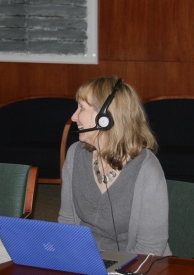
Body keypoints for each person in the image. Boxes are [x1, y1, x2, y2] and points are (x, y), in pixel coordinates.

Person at [58, 76, 171, 256]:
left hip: (135, 262)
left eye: (81, 108)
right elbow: (67, 220)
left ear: (106, 118)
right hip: (86, 257)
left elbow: (151, 248)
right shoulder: (75, 155)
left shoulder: (146, 169)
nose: (73, 117)